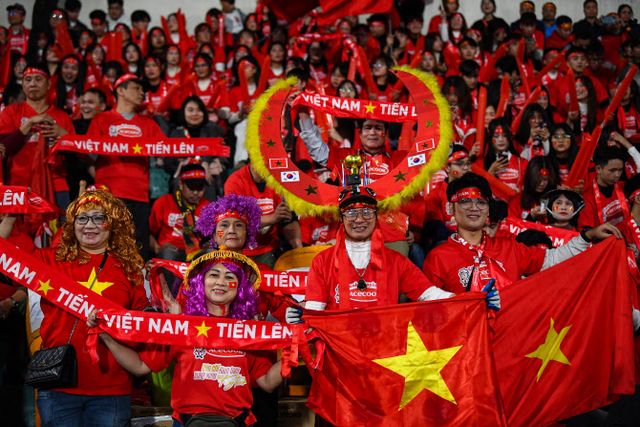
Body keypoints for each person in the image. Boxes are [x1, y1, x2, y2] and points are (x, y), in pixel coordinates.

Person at [88, 248, 282, 427]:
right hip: (187, 422)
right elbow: (139, 366)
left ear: (239, 287)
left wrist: (294, 349)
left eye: (230, 277)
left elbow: (267, 382)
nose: (221, 282)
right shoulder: (181, 326)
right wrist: (105, 336)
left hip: (238, 422)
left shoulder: (249, 330)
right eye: (213, 275)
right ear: (200, 282)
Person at [3, 189, 149, 426]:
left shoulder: (129, 269)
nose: (89, 225)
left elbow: (143, 323)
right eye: (82, 218)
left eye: (98, 218)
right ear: (73, 224)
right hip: (58, 387)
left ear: (113, 224)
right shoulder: (50, 260)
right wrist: (9, 218)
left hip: (110, 391)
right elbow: (3, 257)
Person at [423, 172, 622, 294]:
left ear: (488, 209)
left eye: (481, 202)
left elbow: (552, 259)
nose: (474, 208)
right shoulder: (438, 258)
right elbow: (432, 312)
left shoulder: (510, 248)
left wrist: (587, 236)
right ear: (451, 208)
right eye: (465, 201)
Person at [304, 184, 457, 311]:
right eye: (351, 212)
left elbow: (430, 294)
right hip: (339, 339)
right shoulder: (322, 262)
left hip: (385, 338)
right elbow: (315, 310)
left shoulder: (396, 261)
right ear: (341, 219)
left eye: (366, 211)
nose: (359, 219)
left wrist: (463, 301)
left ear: (377, 217)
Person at [86, 73, 165, 259]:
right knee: (105, 247)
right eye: (136, 88)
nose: (142, 93)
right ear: (120, 91)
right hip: (107, 196)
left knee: (137, 250)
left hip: (139, 195)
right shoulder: (101, 120)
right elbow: (87, 154)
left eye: (143, 89)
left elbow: (168, 151)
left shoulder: (149, 124)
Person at [0, 64, 74, 211]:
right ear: (23, 85)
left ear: (48, 84)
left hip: (56, 184)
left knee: (59, 225)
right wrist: (28, 124)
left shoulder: (62, 117)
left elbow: (76, 158)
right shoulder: (10, 112)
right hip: (19, 184)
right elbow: (4, 149)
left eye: (38, 79)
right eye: (28, 80)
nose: (32, 83)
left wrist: (64, 136)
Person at [149, 163, 209, 263]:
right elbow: (150, 232)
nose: (195, 192)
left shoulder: (208, 207)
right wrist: (156, 248)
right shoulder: (163, 202)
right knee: (168, 252)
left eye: (200, 188)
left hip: (197, 252)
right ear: (181, 184)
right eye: (191, 187)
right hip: (169, 251)